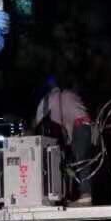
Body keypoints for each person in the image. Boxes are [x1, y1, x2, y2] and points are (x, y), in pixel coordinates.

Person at [35, 77, 93, 205]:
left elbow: (40, 121)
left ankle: (85, 195)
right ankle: (76, 194)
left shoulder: (48, 100)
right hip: (85, 126)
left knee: (81, 160)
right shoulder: (67, 94)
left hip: (79, 127)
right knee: (77, 161)